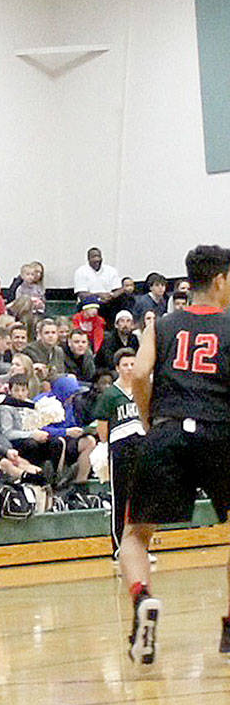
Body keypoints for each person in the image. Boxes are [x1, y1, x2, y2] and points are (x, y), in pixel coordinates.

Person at [116, 245, 230, 664]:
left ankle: (142, 597)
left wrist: (150, 418)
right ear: (220, 280)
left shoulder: (161, 325)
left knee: (135, 535)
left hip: (166, 432)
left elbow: (140, 372)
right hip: (220, 433)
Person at [93, 348, 143, 563]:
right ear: (117, 368)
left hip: (142, 446)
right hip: (120, 448)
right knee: (121, 498)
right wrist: (108, 447)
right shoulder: (110, 394)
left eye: (133, 364)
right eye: (125, 365)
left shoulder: (144, 390)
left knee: (141, 499)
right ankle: (119, 547)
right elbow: (102, 428)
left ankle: (140, 548)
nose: (130, 368)